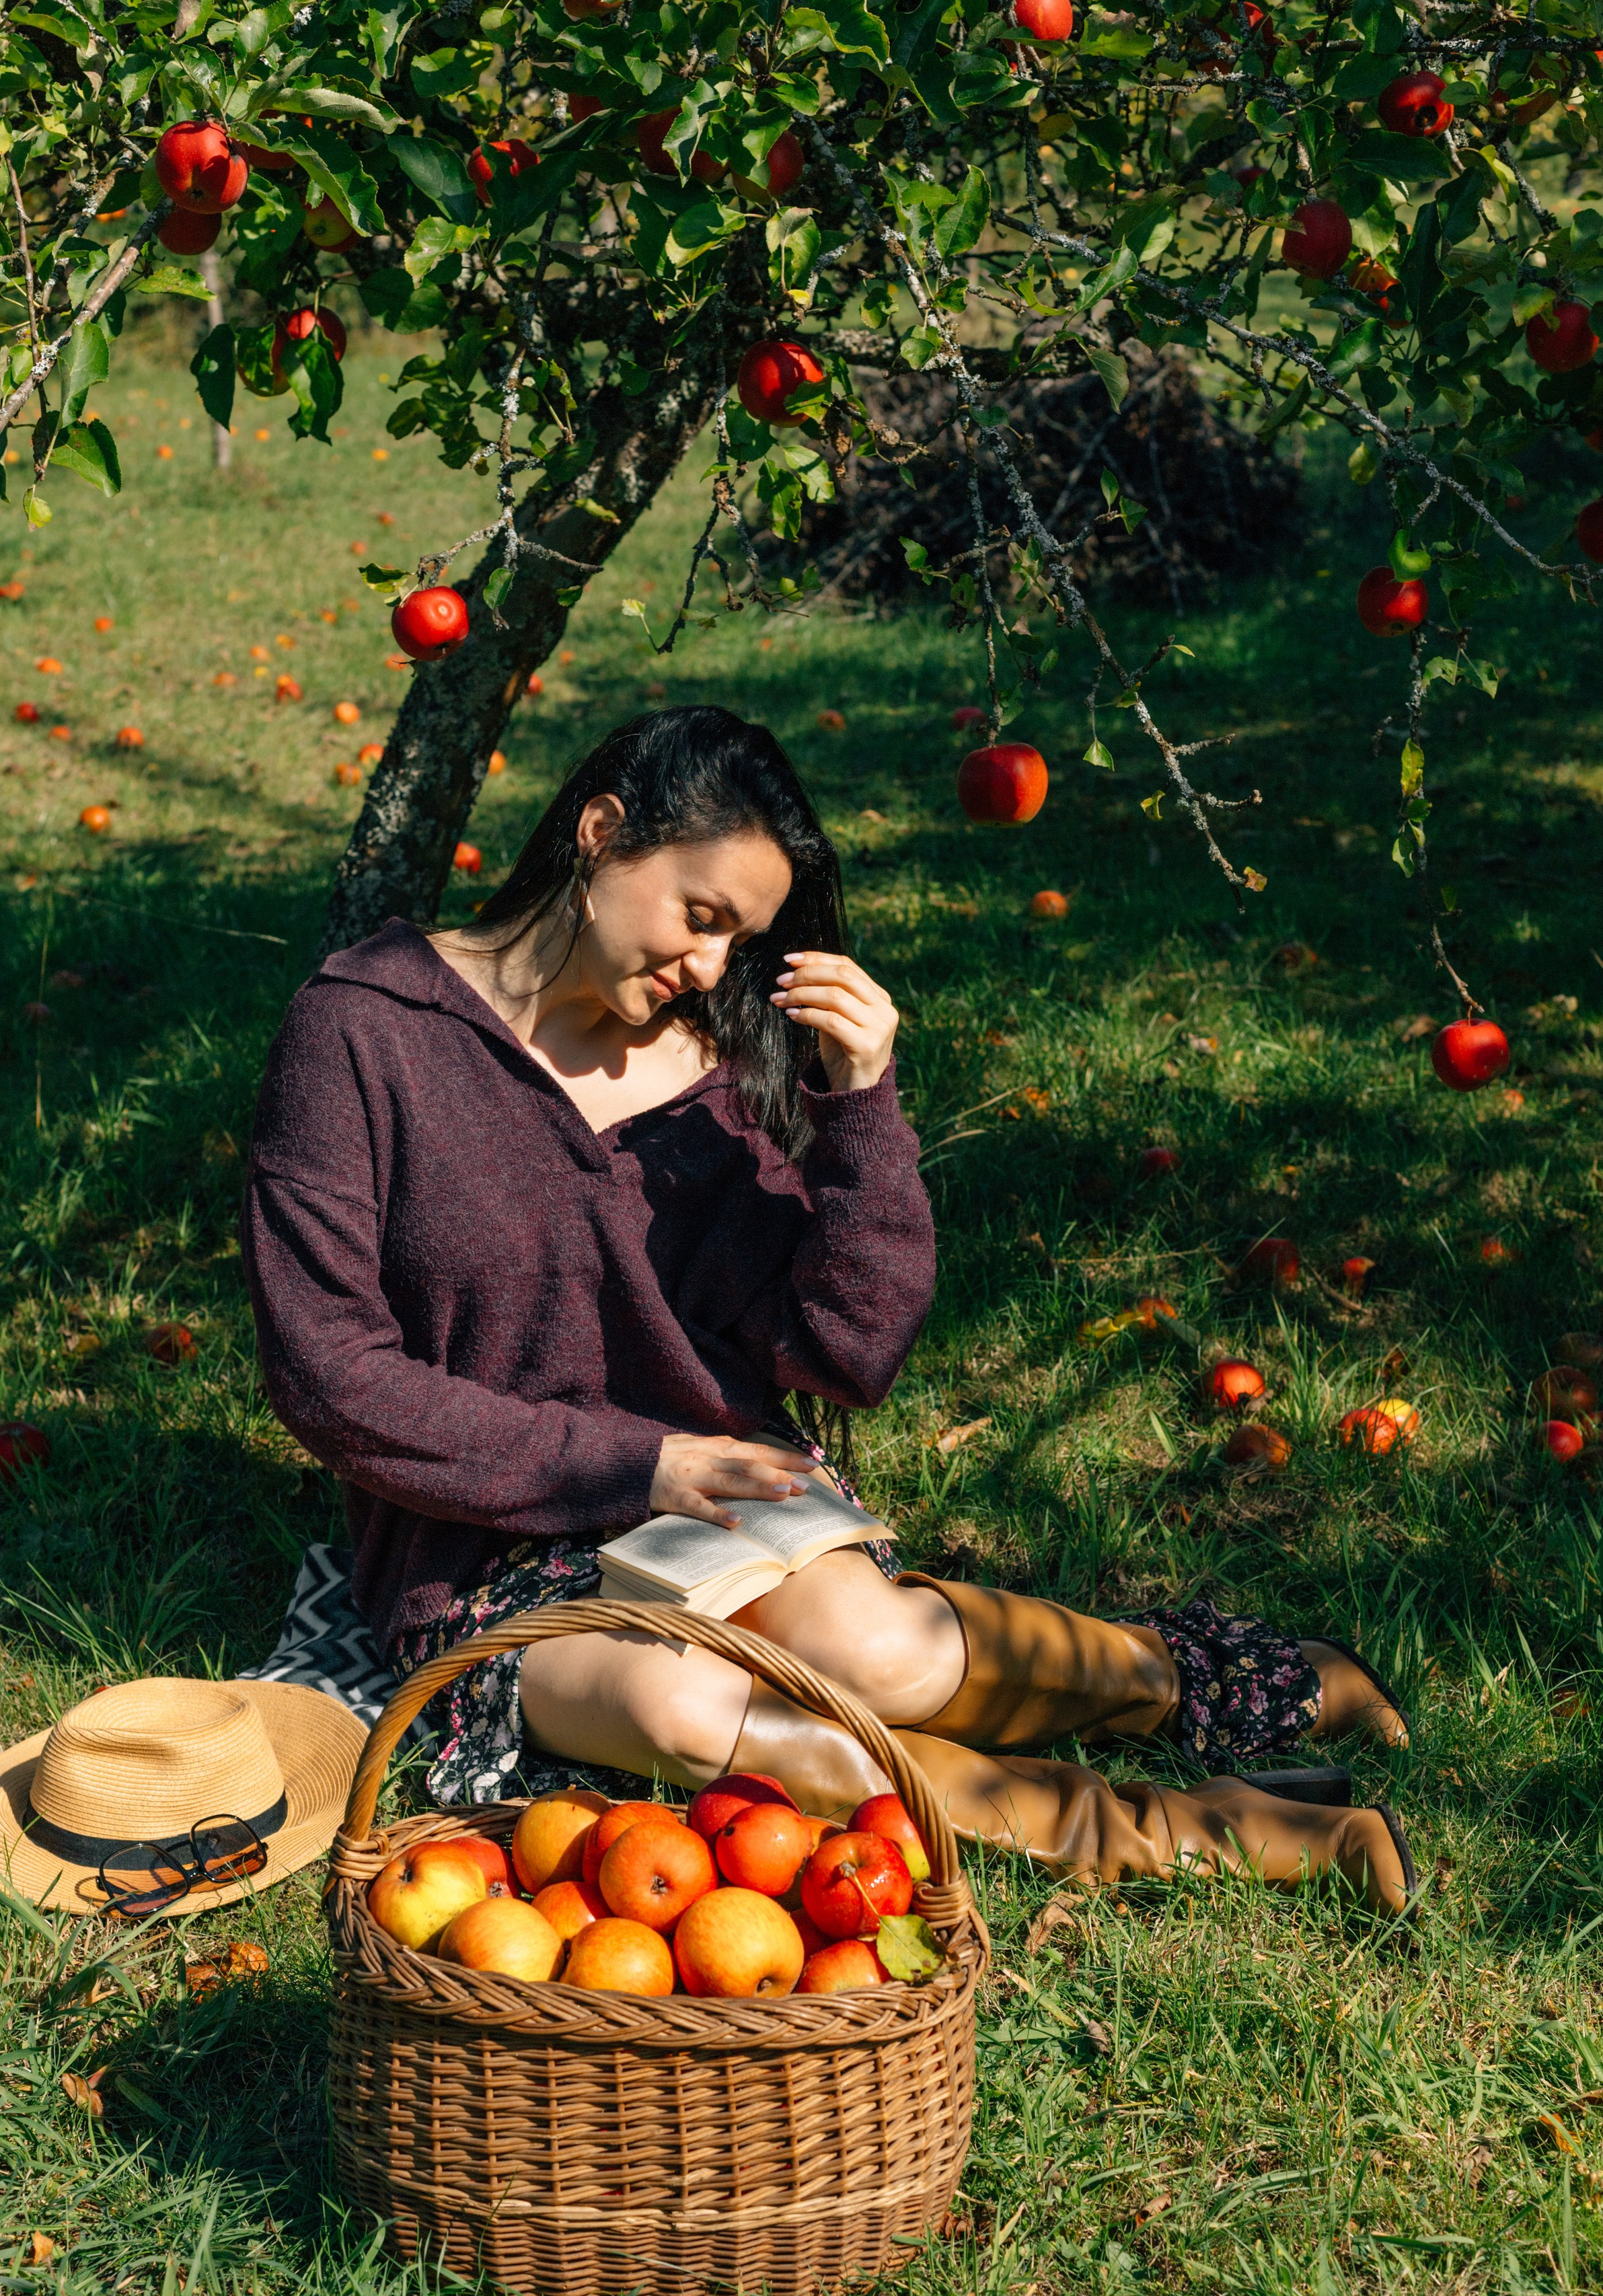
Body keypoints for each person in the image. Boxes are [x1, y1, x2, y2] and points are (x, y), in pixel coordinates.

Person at [243, 707, 1416, 1913]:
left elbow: (851, 1354)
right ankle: (1209, 1830)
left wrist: (862, 1106)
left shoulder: (721, 1066)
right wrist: (639, 1464)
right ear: (600, 834)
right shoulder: (364, 1031)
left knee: (882, 1654)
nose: (713, 968)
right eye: (701, 916)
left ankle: (1221, 1680)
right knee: (684, 1710)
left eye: (742, 940)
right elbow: (331, 1375)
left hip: (721, 1498)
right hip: (480, 1546)